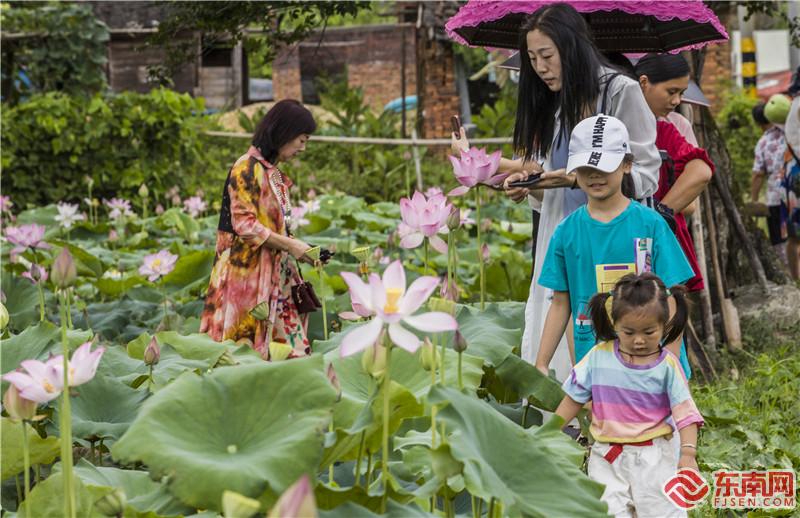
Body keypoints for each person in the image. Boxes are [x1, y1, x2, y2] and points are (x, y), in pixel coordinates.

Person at [452, 3, 661, 381]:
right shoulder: (556, 104)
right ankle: (565, 417)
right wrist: (531, 185)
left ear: (572, 47)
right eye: (532, 59)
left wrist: (578, 178)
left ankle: (622, 419)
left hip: (613, 235)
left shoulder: (620, 92)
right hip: (563, 232)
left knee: (615, 325)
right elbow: (552, 179)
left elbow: (646, 173)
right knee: (559, 311)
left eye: (547, 56)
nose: (540, 68)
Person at [535, 115, 694, 377]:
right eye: (585, 167)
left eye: (605, 166)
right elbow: (561, 303)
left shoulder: (651, 224)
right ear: (573, 170)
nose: (595, 175)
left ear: (627, 165)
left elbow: (673, 296)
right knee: (601, 419)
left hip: (653, 360)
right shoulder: (566, 232)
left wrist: (672, 359)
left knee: (657, 420)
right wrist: (542, 362)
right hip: (595, 365)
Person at [554, 272, 703, 518]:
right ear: (615, 324)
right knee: (609, 512)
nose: (639, 340)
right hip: (607, 456)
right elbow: (573, 398)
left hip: (655, 457)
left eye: (649, 332)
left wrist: (688, 454)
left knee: (662, 512)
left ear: (664, 324)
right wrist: (549, 431)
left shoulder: (667, 367)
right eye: (629, 332)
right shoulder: (597, 358)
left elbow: (686, 415)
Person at [200, 99, 317, 360]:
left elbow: (278, 227)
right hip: (244, 279)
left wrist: (302, 250)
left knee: (293, 354)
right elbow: (245, 226)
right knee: (242, 355)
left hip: (276, 277)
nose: (303, 148)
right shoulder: (246, 167)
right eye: (302, 139)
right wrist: (291, 246)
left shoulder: (272, 173)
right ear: (284, 132)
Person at [634, 53, 715, 292]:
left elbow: (700, 172)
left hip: (659, 240)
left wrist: (656, 216)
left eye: (681, 93)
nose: (677, 100)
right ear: (643, 83)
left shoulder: (667, 130)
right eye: (672, 92)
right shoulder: (609, 127)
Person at [751, 100, 789, 261]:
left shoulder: (763, 143)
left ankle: (790, 270)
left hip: (776, 197)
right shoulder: (792, 132)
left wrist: (754, 199)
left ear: (758, 122)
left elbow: (758, 174)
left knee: (779, 237)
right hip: (795, 193)